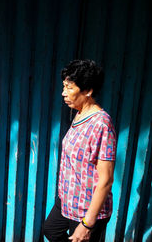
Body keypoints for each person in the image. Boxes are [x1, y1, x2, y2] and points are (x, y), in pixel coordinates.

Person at [43, 59, 116, 242]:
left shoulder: (101, 124)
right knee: (51, 230)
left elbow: (106, 180)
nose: (63, 93)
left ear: (88, 91)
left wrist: (87, 224)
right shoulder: (79, 113)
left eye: (69, 88)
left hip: (86, 208)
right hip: (67, 201)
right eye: (63, 86)